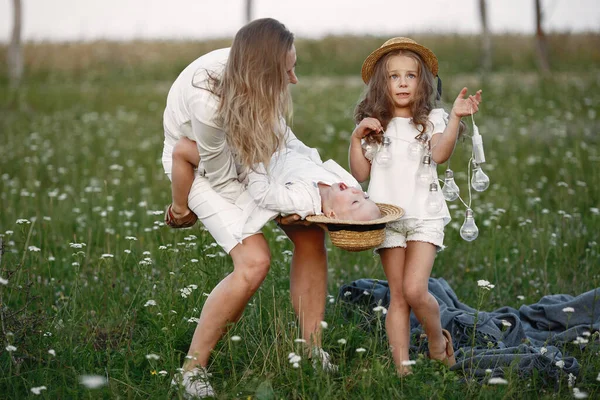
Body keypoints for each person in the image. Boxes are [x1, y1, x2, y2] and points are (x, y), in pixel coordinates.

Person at [161, 19, 334, 398]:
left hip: (246, 155)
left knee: (308, 232)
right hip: (197, 165)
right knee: (255, 262)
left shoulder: (258, 77)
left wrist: (319, 189)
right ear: (263, 71)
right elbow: (222, 176)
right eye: (287, 70)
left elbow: (284, 144)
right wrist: (275, 201)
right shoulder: (207, 99)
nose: (294, 79)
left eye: (294, 66)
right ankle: (191, 370)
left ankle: (311, 349)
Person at [348, 37, 483, 376]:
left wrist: (454, 117)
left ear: (422, 82)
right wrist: (356, 137)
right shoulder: (375, 124)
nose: (403, 82)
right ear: (383, 82)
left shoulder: (432, 119)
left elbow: (440, 154)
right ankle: (403, 371)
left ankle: (438, 342)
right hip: (387, 219)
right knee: (398, 295)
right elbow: (360, 174)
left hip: (424, 215)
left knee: (414, 289)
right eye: (394, 76)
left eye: (411, 75)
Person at [169, 136, 382, 233]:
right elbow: (351, 183)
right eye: (365, 196)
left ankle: (180, 210)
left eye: (355, 202)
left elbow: (262, 192)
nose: (357, 191)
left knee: (183, 149)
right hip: (275, 144)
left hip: (245, 164)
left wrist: (256, 158)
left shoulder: (303, 201)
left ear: (332, 215)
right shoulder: (344, 185)